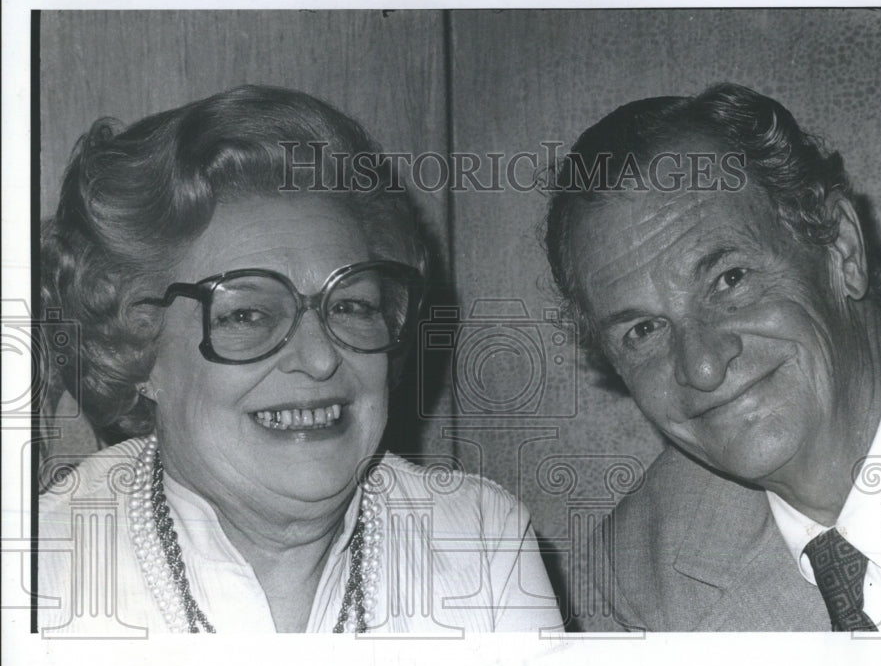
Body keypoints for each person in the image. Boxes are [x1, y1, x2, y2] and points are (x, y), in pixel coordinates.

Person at [37, 85, 564, 635]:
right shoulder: (40, 570)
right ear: (137, 349)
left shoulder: (479, 542)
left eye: (352, 306)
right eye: (247, 315)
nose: (319, 359)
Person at [543, 83, 881, 632]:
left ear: (842, 250)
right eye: (643, 330)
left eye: (729, 279)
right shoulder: (638, 578)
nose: (702, 367)